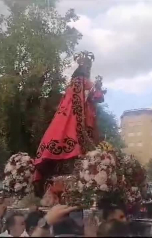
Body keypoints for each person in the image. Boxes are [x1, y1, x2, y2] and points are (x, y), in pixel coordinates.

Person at [33, 51, 106, 197]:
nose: (87, 69)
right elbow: (98, 97)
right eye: (86, 67)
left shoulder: (71, 84)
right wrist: (97, 88)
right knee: (80, 143)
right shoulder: (83, 81)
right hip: (81, 120)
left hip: (69, 117)